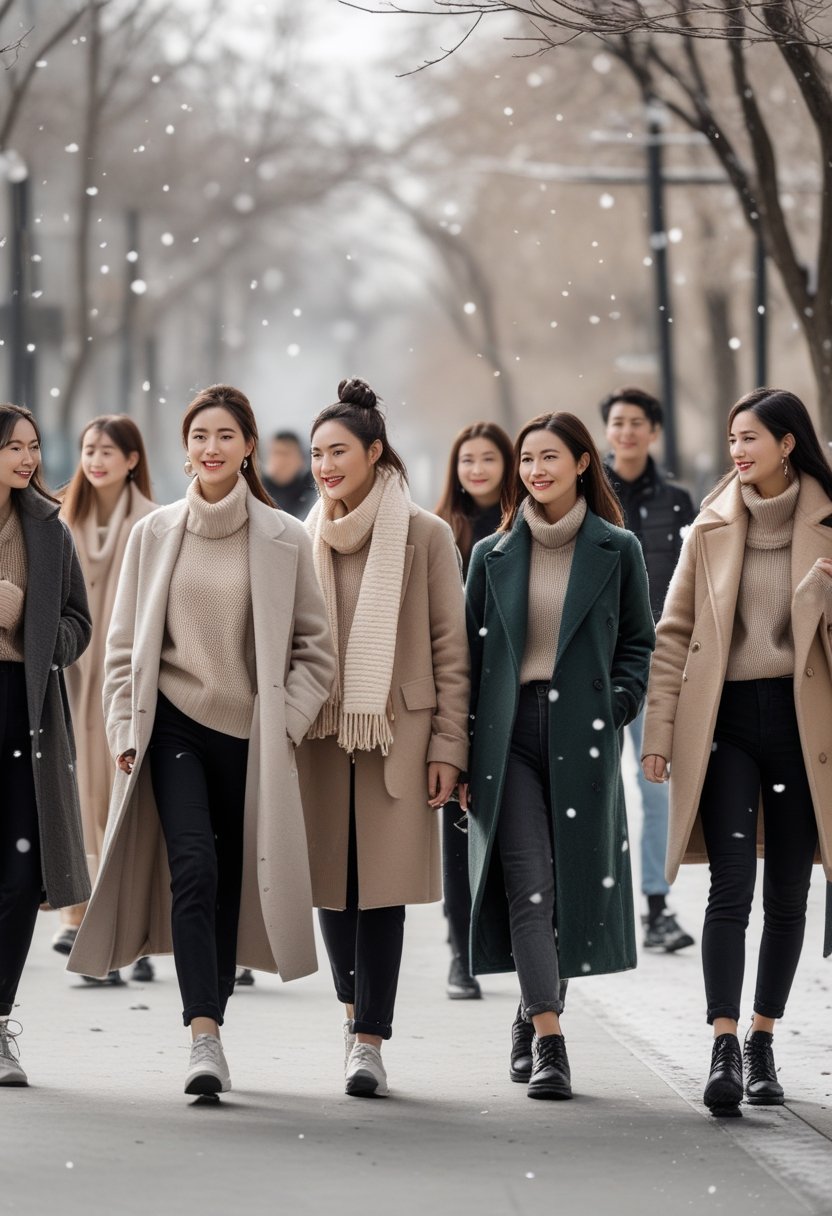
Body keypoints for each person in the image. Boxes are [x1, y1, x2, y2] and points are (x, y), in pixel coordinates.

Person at [68, 385, 335, 1098]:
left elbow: (316, 650)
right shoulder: (154, 533)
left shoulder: (284, 539)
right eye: (197, 437)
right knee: (193, 867)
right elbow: (124, 647)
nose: (210, 448)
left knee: (229, 882)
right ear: (184, 449)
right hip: (173, 726)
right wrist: (126, 729)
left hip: (254, 735)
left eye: (224, 436)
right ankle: (203, 1035)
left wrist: (284, 722)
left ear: (248, 447)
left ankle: (213, 1004)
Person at [642, 387, 832, 1117]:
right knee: (729, 889)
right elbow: (672, 634)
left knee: (789, 893)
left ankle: (762, 1039)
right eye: (731, 440)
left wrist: (820, 607)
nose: (738, 452)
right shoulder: (710, 529)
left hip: (801, 723)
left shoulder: (829, 523)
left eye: (751, 438)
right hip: (723, 725)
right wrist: (659, 734)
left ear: (789, 443)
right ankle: (723, 1043)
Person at [461, 412, 654, 1100]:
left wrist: (619, 706)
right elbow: (466, 658)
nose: (535, 471)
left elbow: (640, 643)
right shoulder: (493, 555)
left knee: (568, 886)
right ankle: (550, 1038)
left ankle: (530, 1006)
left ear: (580, 463)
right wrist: (458, 752)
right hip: (506, 737)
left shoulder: (617, 548)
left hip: (583, 733)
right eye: (527, 460)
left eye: (549, 457)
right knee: (530, 885)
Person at [297, 377, 469, 1098]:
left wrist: (448, 749)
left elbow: (451, 649)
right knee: (332, 889)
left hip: (397, 731)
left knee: (383, 894)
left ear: (374, 452)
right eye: (316, 454)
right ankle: (351, 1014)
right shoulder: (302, 535)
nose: (326, 466)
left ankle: (371, 1040)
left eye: (338, 451)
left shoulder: (425, 533)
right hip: (321, 732)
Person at [0, 403, 92, 1086]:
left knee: (22, 876)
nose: (27, 459)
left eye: (32, 446)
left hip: (25, 713)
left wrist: (28, 624)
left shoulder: (49, 530)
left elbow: (77, 625)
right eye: (13, 448)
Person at [55, 415, 156, 985]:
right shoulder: (59, 516)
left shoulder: (151, 521)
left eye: (108, 451)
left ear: (132, 459)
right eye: (88, 449)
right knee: (78, 797)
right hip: (70, 678)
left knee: (124, 798)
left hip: (126, 678)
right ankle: (80, 916)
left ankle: (131, 930)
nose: (96, 460)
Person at [600, 386, 696, 953]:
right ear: (607, 431)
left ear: (654, 431)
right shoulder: (586, 491)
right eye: (618, 422)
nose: (628, 431)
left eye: (638, 422)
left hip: (658, 661)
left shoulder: (679, 502)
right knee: (593, 786)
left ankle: (657, 907)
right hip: (596, 661)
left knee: (655, 783)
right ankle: (593, 899)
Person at [434, 420, 514, 1001]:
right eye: (468, 460)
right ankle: (461, 949)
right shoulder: (444, 532)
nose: (478, 469)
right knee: (459, 828)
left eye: (488, 459)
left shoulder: (523, 526)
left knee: (516, 825)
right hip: (457, 696)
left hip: (514, 695)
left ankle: (513, 939)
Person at [262, 430, 316, 519]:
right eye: (276, 453)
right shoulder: (254, 489)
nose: (280, 460)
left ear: (301, 459)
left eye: (286, 454)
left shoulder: (314, 494)